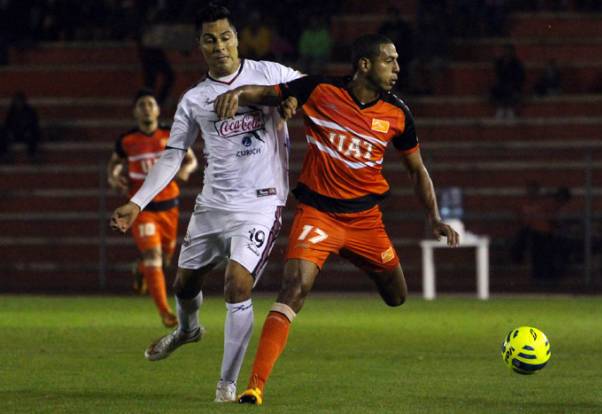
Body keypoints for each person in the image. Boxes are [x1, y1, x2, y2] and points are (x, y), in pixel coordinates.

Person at [213, 33, 460, 405]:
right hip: (319, 215)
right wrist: (238, 94)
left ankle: (364, 261)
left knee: (397, 297)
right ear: (364, 65)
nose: (397, 67)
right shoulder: (320, 90)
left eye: (397, 60)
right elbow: (269, 94)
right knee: (294, 289)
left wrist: (435, 217)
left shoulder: (397, 113)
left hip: (365, 222)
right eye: (388, 60)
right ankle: (255, 386)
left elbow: (416, 169)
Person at [109, 4, 302, 403]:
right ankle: (187, 331)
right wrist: (137, 202)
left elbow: (312, 89)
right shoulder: (194, 99)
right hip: (212, 204)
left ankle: (226, 386)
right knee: (185, 285)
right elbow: (172, 154)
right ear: (200, 46)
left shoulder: (269, 73)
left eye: (226, 36)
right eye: (210, 39)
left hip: (260, 203)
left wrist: (291, 101)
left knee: (237, 283)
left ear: (237, 37)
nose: (220, 46)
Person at [107, 89, 198, 327]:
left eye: (150, 104)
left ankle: (140, 269)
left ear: (157, 109)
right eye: (141, 105)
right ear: (135, 111)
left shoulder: (171, 134)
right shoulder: (127, 140)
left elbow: (191, 159)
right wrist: (114, 177)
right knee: (153, 255)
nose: (146, 108)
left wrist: (185, 171)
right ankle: (165, 312)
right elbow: (114, 165)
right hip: (142, 208)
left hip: (169, 207)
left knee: (165, 258)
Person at [2, 91, 41, 162]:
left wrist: (28, 131)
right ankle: (4, 154)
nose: (18, 103)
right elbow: (7, 124)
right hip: (14, 134)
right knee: (3, 134)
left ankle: (33, 155)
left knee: (33, 134)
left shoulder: (30, 111)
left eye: (19, 101)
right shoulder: (11, 111)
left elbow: (34, 124)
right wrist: (10, 132)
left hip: (26, 134)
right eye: (16, 101)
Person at [490, 44, 525, 119]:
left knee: (510, 90)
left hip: (514, 85)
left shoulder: (517, 63)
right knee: (496, 89)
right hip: (502, 84)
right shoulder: (500, 62)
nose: (507, 53)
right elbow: (498, 74)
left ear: (513, 52)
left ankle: (509, 109)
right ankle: (501, 109)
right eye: (505, 51)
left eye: (509, 51)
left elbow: (520, 77)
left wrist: (514, 84)